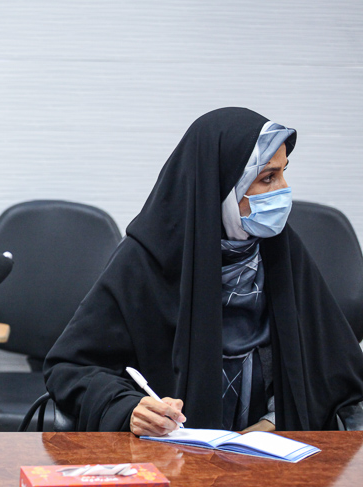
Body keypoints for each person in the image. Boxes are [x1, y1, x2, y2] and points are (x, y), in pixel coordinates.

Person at [44, 107, 363, 436]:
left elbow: (336, 371)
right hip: (171, 454)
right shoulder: (146, 260)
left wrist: (273, 421)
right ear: (222, 185)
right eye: (267, 178)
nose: (284, 190)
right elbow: (70, 368)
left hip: (270, 453)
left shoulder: (282, 252)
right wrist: (130, 409)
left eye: (283, 173)